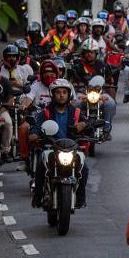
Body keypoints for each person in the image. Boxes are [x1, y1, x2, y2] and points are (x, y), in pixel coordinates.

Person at [28, 79, 89, 208]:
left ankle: (81, 197)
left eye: (64, 92)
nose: (61, 95)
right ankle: (38, 196)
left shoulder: (76, 112)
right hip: (50, 147)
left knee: (85, 168)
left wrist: (84, 125)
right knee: (40, 165)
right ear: (52, 94)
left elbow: (88, 126)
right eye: (58, 92)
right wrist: (34, 133)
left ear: (69, 94)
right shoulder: (46, 112)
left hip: (72, 148)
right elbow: (36, 125)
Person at [70, 38, 116, 138]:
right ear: (83, 53)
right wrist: (75, 84)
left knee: (110, 103)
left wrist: (113, 97)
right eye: (86, 52)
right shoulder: (77, 65)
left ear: (96, 53)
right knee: (76, 104)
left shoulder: (103, 66)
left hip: (100, 93)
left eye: (91, 52)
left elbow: (110, 82)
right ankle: (75, 128)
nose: (89, 54)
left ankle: (106, 129)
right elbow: (72, 82)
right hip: (82, 93)